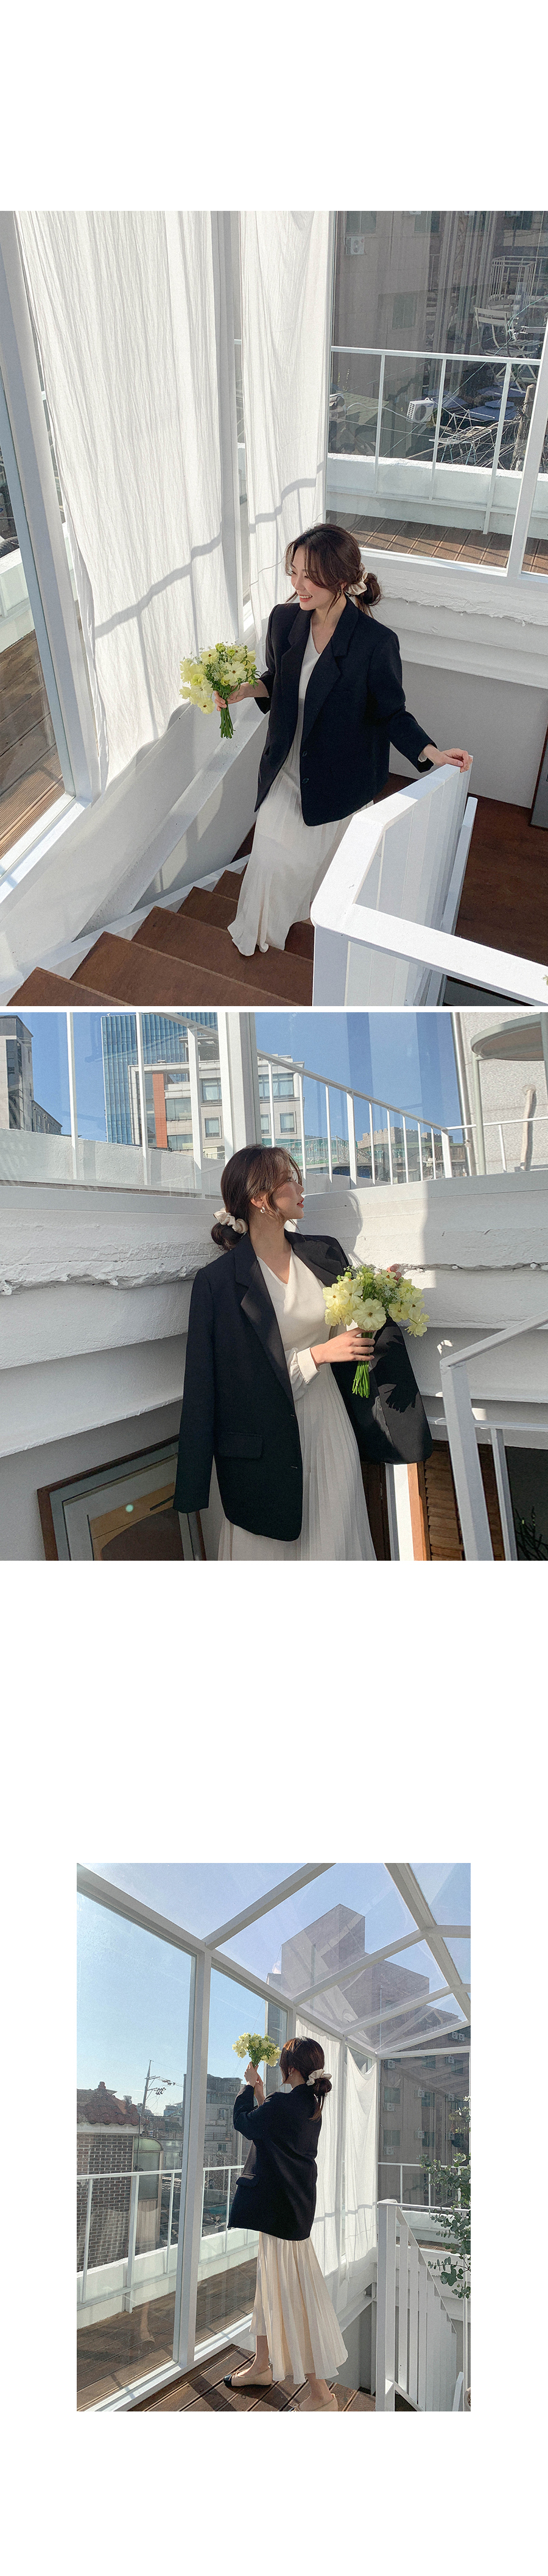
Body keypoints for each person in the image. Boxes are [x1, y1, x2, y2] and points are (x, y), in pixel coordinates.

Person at [216, 523, 472, 959]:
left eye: (309, 576)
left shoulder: (375, 643)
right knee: (272, 860)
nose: (298, 585)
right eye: (293, 572)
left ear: (339, 578)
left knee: (319, 861)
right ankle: (261, 932)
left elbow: (392, 713)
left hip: (340, 773)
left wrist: (431, 754)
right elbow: (278, 680)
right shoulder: (283, 621)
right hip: (286, 764)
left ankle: (312, 915)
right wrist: (246, 689)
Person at [172, 1143, 432, 1561]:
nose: (301, 1188)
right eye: (290, 1180)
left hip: (329, 1424)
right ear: (261, 1199)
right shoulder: (217, 1283)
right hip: (264, 1445)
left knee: (336, 1543)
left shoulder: (323, 1251)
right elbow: (214, 1386)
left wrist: (375, 1301)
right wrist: (319, 1355)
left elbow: (345, 1328)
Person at [223, 2035, 347, 2411]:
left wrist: (248, 2087)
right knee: (270, 2289)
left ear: (290, 2068)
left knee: (293, 2299)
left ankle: (320, 2394)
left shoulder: (285, 2105)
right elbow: (275, 2132)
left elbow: (244, 2123)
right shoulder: (310, 2105)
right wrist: (263, 2095)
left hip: (279, 2216)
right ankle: (262, 2366)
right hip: (294, 2212)